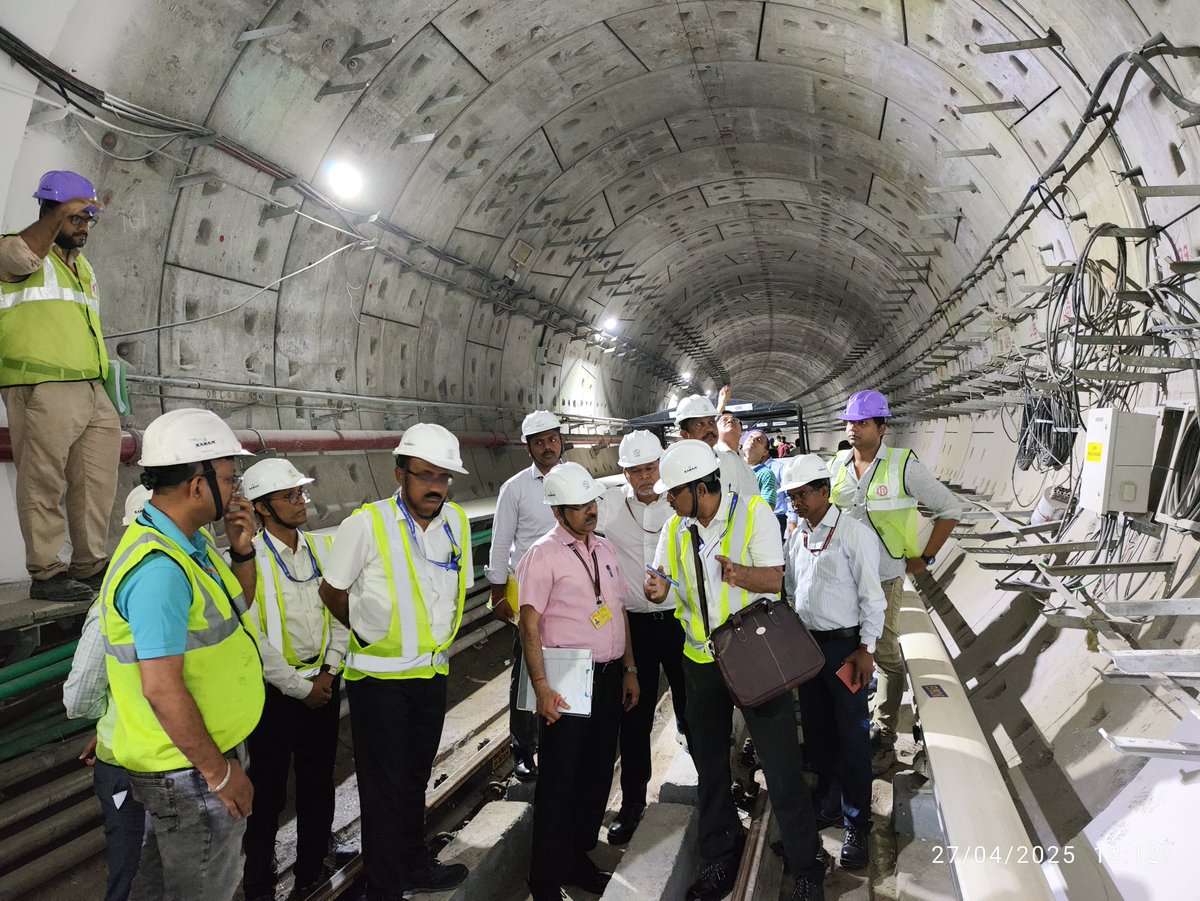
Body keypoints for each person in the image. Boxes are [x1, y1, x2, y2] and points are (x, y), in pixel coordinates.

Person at [645, 441, 827, 901]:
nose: (668, 499)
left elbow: (773, 579)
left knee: (781, 764)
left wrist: (736, 574)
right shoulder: (674, 528)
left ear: (701, 487)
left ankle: (806, 865)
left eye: (675, 492)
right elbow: (664, 583)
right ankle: (719, 856)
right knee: (709, 766)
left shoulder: (753, 513)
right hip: (701, 662)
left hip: (752, 657)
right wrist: (655, 589)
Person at [97, 408, 263, 901]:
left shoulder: (192, 544)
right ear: (197, 484)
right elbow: (161, 687)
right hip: (190, 772)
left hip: (195, 761)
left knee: (162, 887)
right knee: (204, 889)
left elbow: (237, 609)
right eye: (231, 479)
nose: (237, 491)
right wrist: (221, 773)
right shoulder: (159, 571)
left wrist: (242, 548)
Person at [318, 424, 473, 899]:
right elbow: (331, 590)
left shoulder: (456, 524)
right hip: (380, 682)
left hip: (431, 674)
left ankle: (413, 866)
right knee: (383, 791)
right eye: (425, 475)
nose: (435, 487)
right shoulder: (365, 524)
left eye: (444, 478)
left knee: (415, 779)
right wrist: (370, 633)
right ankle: (384, 888)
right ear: (399, 473)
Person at [518, 462, 640, 900]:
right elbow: (528, 626)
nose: (590, 511)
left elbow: (619, 610)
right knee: (560, 780)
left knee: (595, 772)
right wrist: (542, 686)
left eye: (592, 502)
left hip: (608, 676)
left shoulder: (604, 550)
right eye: (579, 506)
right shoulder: (543, 555)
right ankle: (545, 877)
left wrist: (629, 668)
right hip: (567, 676)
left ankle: (576, 857)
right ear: (557, 512)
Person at [0, 170, 120, 602]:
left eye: (89, 219)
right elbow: (20, 257)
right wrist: (55, 221)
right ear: (50, 211)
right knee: (42, 481)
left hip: (91, 388)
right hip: (42, 387)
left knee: (96, 482)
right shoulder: (15, 250)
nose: (84, 227)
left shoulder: (82, 267)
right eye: (76, 218)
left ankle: (90, 566)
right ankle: (47, 572)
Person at [830, 390, 964, 773]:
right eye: (850, 422)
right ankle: (851, 723)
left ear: (882, 427)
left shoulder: (903, 465)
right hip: (842, 580)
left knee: (885, 656)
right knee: (847, 652)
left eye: (863, 422)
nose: (853, 429)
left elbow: (949, 507)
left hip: (885, 579)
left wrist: (927, 556)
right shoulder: (837, 464)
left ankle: (883, 737)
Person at [240, 459, 348, 901]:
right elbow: (253, 633)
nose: (300, 502)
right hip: (276, 693)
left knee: (318, 782)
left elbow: (342, 612)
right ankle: (258, 882)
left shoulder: (324, 548)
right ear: (262, 508)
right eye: (289, 496)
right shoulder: (250, 559)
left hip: (323, 681)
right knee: (267, 791)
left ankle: (310, 868)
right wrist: (299, 687)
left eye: (301, 493)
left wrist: (329, 671)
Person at [781, 455, 886, 872]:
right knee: (820, 733)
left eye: (802, 494)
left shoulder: (852, 534)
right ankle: (828, 802)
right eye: (791, 497)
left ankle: (858, 822)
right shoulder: (798, 536)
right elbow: (790, 587)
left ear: (824, 491)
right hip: (809, 649)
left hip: (846, 649)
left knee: (853, 737)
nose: (796, 503)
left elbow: (872, 598)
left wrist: (867, 648)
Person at [596, 430, 686, 845]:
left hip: (680, 622)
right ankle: (633, 803)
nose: (644, 477)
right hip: (634, 627)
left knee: (694, 710)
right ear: (625, 473)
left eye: (649, 468)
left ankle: (707, 793)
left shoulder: (681, 502)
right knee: (634, 717)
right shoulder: (610, 505)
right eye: (634, 470)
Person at [485, 409, 564, 781]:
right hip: (530, 591)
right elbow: (501, 543)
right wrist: (497, 591)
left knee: (569, 662)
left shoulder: (575, 480)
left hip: (570, 591)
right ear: (528, 447)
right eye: (539, 442)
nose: (547, 447)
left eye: (551, 439)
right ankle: (522, 746)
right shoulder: (514, 488)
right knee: (525, 668)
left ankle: (560, 732)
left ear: (561, 440)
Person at [673, 394, 758, 498]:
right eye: (700, 424)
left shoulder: (730, 460)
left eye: (711, 422)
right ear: (685, 435)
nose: (709, 429)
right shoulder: (678, 468)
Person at [741, 428, 779, 508]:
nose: (753, 440)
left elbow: (768, 507)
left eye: (759, 440)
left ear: (765, 452)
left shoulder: (766, 474)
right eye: (750, 437)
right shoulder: (732, 466)